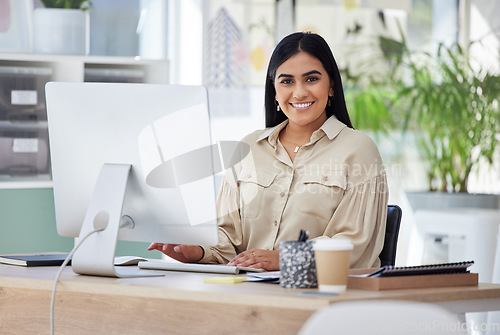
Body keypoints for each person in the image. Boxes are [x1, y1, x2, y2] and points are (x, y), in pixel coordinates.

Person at [148, 31, 388, 271]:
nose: (300, 92)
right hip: (246, 289)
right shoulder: (248, 149)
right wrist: (196, 250)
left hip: (319, 293)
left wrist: (284, 258)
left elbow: (354, 245)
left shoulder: (358, 150)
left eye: (311, 79)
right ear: (274, 91)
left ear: (332, 86)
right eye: (286, 81)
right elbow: (228, 241)